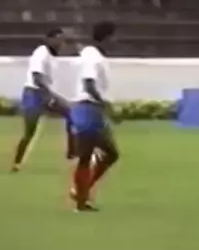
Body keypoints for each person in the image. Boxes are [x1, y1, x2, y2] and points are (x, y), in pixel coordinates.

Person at [68, 21, 119, 211]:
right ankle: (80, 201)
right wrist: (105, 105)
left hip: (91, 110)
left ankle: (80, 192)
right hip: (87, 109)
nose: (116, 40)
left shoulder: (93, 56)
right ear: (107, 37)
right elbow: (88, 84)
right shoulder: (93, 58)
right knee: (86, 156)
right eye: (114, 36)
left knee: (110, 154)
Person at [11, 28, 66, 172]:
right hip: (33, 94)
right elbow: (37, 77)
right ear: (49, 39)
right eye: (58, 40)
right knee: (29, 131)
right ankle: (16, 163)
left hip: (43, 93)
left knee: (71, 114)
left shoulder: (52, 56)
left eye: (62, 40)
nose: (60, 43)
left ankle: (75, 153)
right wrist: (49, 95)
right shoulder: (41, 53)